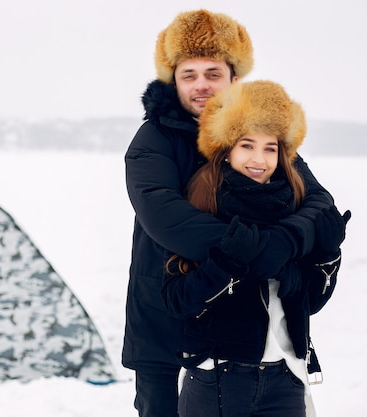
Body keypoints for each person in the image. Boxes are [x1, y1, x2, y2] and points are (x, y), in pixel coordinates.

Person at [123, 9, 335, 417]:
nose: (201, 84)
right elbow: (166, 218)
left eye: (212, 72)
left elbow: (318, 201)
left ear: (233, 79)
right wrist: (256, 250)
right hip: (165, 322)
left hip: (241, 330)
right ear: (174, 79)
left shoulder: (251, 133)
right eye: (189, 74)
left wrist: (285, 241)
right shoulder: (153, 139)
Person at [161, 80, 350, 417]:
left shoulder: (295, 208)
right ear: (228, 149)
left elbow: (310, 303)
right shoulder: (201, 205)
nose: (259, 159)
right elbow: (177, 301)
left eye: (270, 148)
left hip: (286, 377)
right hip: (216, 377)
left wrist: (327, 255)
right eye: (247, 145)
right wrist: (227, 263)